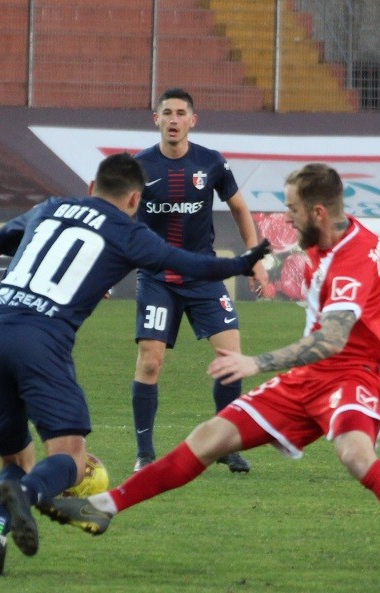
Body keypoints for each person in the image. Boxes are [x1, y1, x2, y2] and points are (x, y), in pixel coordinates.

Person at [39, 163, 380, 586]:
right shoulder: (346, 236)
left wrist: (255, 363)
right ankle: (104, 507)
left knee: (355, 455)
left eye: (292, 209)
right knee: (210, 437)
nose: (286, 218)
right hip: (310, 377)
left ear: (318, 212)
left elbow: (333, 339)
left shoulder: (350, 260)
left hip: (356, 372)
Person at [0, 153, 270, 575]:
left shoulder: (52, 206)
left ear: (92, 187)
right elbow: (189, 263)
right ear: (134, 200)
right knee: (72, 459)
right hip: (39, 343)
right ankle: (29, 495)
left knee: (15, 462)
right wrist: (241, 262)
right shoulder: (128, 231)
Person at [131, 88, 269, 475]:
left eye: (180, 113)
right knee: (150, 362)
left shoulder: (211, 162)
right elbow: (119, 219)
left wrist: (255, 257)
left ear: (193, 120)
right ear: (156, 119)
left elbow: (239, 208)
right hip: (157, 278)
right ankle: (145, 454)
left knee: (231, 360)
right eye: (167, 113)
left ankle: (224, 445)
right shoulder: (139, 167)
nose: (173, 120)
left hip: (203, 274)